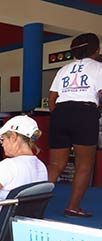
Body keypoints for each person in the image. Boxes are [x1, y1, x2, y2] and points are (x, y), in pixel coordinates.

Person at [47, 33, 102, 218]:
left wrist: (60, 115)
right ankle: (73, 207)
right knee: (84, 165)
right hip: (85, 113)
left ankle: (33, 205)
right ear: (97, 50)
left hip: (60, 113)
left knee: (55, 165)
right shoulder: (98, 67)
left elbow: (52, 98)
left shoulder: (64, 69)